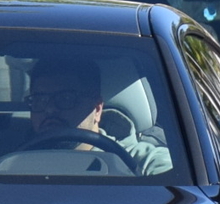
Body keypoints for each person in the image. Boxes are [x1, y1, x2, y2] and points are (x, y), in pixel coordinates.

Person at [25, 56, 173, 174]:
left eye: (66, 98)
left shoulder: (143, 164)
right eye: (40, 100)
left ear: (97, 109)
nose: (50, 109)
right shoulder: (8, 165)